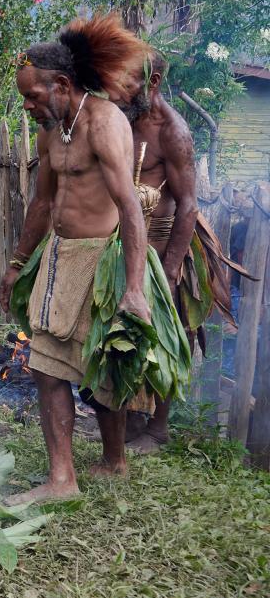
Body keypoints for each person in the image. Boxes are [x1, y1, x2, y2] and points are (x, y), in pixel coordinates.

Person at [0, 14, 152, 503]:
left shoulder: (104, 124)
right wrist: (19, 262)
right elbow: (43, 202)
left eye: (34, 96)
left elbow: (130, 208)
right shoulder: (51, 130)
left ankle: (114, 459)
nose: (28, 106)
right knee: (47, 366)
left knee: (104, 368)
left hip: (101, 261)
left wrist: (132, 288)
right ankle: (62, 479)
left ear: (62, 84)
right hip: (58, 257)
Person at [109, 53, 246, 453]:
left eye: (126, 85)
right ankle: (129, 417)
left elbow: (188, 205)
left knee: (169, 335)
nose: (117, 92)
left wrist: (169, 273)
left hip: (164, 246)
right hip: (122, 243)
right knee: (124, 333)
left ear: (152, 84)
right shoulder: (122, 118)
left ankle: (158, 426)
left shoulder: (173, 132)